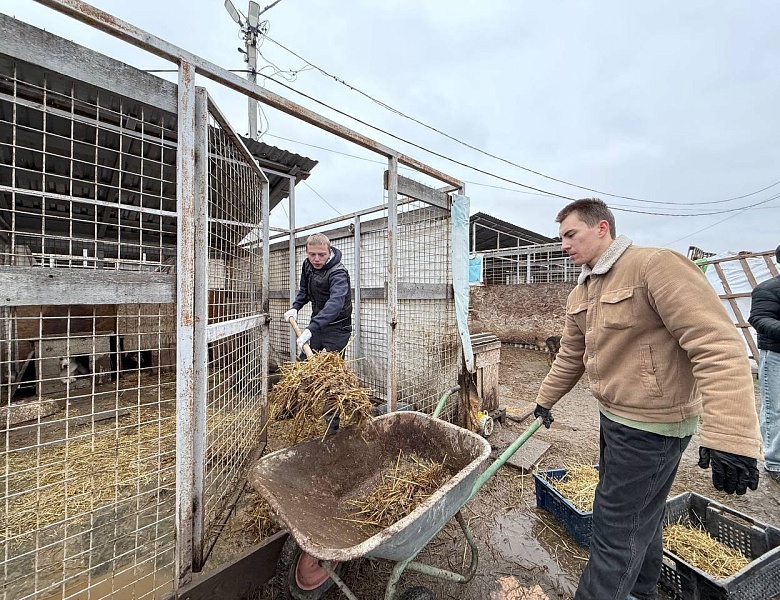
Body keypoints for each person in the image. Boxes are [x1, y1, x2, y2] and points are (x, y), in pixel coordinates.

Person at [533, 198, 762, 600]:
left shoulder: (655, 266)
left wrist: (731, 435)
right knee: (641, 516)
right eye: (561, 238)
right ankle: (640, 590)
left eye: (571, 234)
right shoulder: (582, 290)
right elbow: (571, 355)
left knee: (613, 531)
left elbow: (717, 344)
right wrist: (544, 401)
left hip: (654, 427)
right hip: (614, 418)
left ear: (602, 228)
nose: (564, 245)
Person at [283, 233, 353, 435]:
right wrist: (296, 307)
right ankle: (290, 408)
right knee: (302, 368)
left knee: (332, 375)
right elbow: (304, 291)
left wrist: (311, 328)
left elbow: (335, 304)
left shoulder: (338, 273)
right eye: (312, 254)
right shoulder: (308, 266)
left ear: (329, 251)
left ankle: (332, 426)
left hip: (338, 328)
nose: (316, 259)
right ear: (306, 252)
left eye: (321, 255)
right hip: (318, 325)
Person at [748, 244, 780, 485]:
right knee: (774, 408)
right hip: (776, 354)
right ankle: (775, 461)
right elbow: (758, 318)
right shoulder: (768, 289)